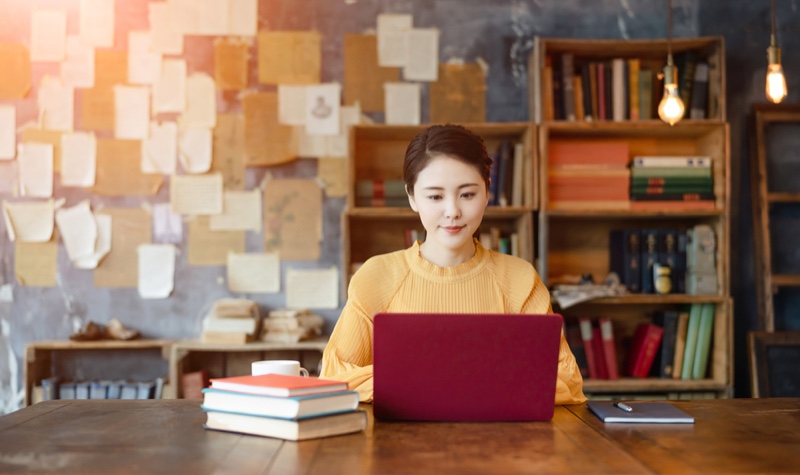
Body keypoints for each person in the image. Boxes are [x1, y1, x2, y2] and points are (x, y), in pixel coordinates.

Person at [321, 124, 586, 405]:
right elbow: (335, 376)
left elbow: (566, 379)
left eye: (467, 194)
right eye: (435, 196)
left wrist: (424, 381)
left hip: (502, 442)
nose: (452, 212)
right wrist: (459, 381)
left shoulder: (519, 279)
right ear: (412, 197)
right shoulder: (376, 277)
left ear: (487, 192)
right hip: (398, 444)